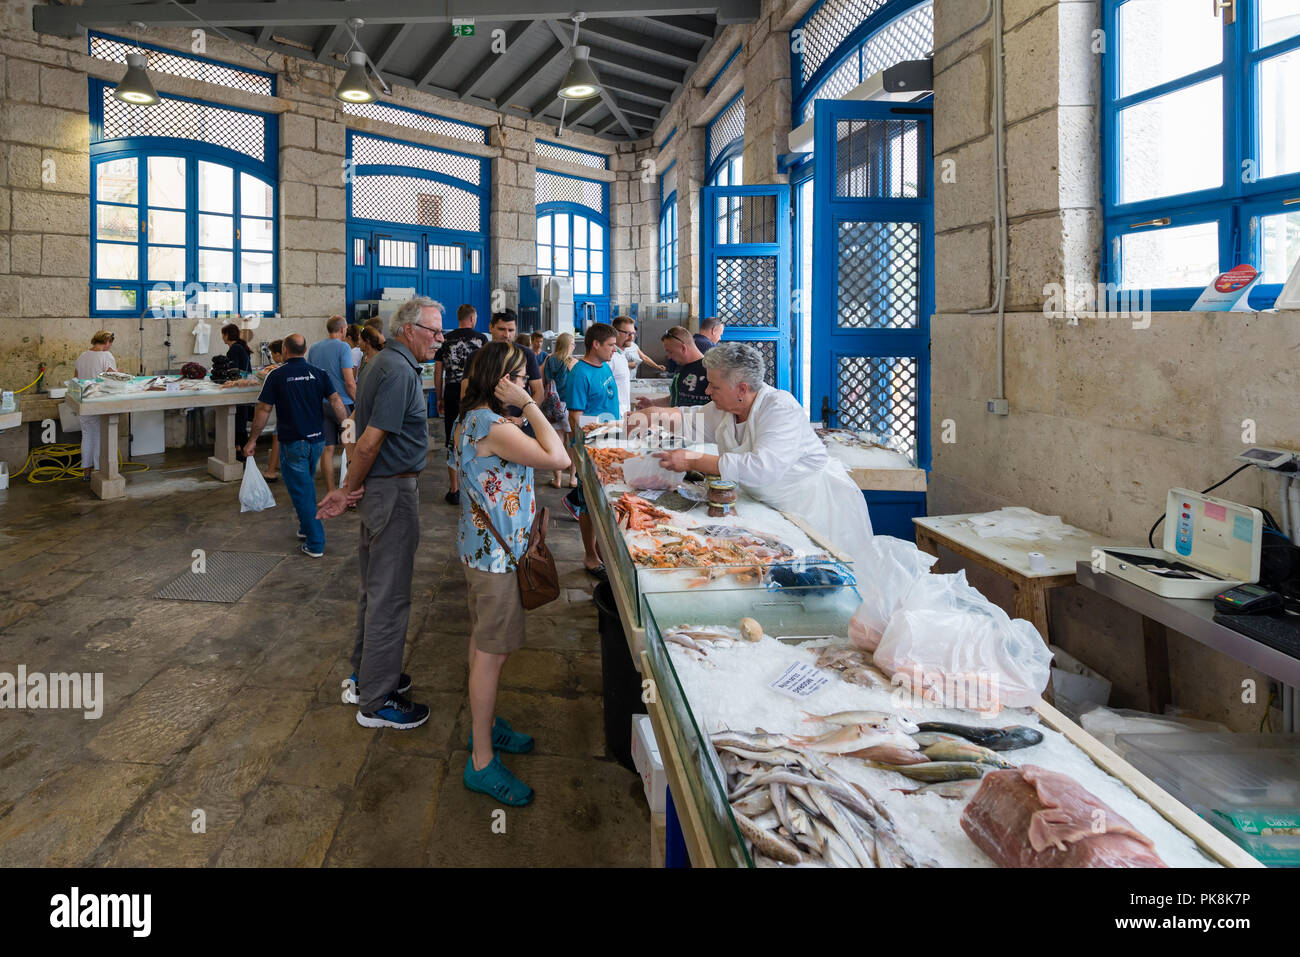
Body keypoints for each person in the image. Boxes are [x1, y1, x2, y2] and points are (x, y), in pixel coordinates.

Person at [632, 342, 874, 571]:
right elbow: (691, 420)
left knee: (819, 576)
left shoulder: (780, 408)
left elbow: (762, 468)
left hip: (813, 511)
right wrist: (651, 415)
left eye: (714, 386)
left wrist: (692, 460)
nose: (707, 391)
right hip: (768, 508)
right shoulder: (724, 409)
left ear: (742, 389)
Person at [453, 341, 570, 806]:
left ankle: (485, 725)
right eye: (520, 378)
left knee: (482, 641)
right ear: (500, 380)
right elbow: (559, 458)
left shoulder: (475, 418)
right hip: (496, 561)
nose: (526, 385)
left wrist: (520, 412)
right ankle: (481, 760)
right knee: (492, 655)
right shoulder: (493, 425)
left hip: (481, 552)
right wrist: (529, 406)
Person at [318, 297, 443, 731]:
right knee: (390, 597)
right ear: (408, 330)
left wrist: (354, 479)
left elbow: (352, 424)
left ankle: (366, 674)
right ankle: (376, 700)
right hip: (391, 492)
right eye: (433, 331)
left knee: (374, 590)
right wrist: (346, 489)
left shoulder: (378, 363)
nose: (439, 339)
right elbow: (369, 440)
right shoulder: (399, 371)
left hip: (378, 488)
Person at [242, 334, 349, 558]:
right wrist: (348, 430)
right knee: (305, 486)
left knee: (303, 493)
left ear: (284, 350)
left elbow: (263, 410)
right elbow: (336, 400)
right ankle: (305, 526)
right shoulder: (319, 373)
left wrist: (252, 440)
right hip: (317, 442)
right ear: (305, 350)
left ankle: (315, 542)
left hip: (293, 444)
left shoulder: (276, 375)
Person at [562, 322, 620, 580]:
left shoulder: (605, 366)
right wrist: (587, 448)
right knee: (588, 504)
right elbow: (575, 417)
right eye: (610, 345)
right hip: (591, 449)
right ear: (595, 344)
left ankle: (599, 549)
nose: (614, 349)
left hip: (611, 444)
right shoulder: (580, 373)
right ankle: (589, 555)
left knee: (604, 501)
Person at [433, 303, 487, 506]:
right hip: (476, 393)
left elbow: (438, 371)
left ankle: (454, 489)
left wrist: (439, 397)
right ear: (472, 318)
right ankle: (476, 487)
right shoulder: (481, 339)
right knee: (479, 438)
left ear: (459, 317)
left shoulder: (445, 339)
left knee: (452, 439)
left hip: (453, 392)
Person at [307, 315, 358, 495]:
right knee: (350, 446)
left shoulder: (314, 348)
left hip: (321, 405)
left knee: (327, 449)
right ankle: (350, 491)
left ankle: (330, 491)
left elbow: (311, 377)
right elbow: (349, 382)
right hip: (344, 406)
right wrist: (358, 401)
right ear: (343, 329)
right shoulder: (344, 347)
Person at [74, 330, 117, 478]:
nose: (110, 346)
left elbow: (76, 379)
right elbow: (113, 379)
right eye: (110, 343)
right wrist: (120, 373)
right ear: (107, 342)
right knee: (100, 436)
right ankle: (99, 471)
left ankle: (86, 472)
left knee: (87, 436)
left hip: (84, 401)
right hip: (100, 401)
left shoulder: (82, 356)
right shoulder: (106, 356)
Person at [485, 310, 544, 417]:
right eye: (501, 329)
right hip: (487, 421)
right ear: (491, 327)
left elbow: (539, 392)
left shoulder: (527, 354)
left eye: (511, 330)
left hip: (519, 420)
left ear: (516, 329)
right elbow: (467, 395)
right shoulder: (478, 356)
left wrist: (523, 419)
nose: (506, 335)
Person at [635, 326, 710, 410]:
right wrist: (652, 403)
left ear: (683, 348)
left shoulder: (709, 370)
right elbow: (676, 398)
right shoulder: (682, 365)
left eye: (670, 352)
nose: (669, 357)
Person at [542, 332, 579, 488]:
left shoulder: (549, 360)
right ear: (569, 346)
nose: (574, 346)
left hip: (553, 405)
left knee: (557, 442)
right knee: (573, 442)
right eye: (573, 343)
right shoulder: (574, 362)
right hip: (570, 406)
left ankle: (557, 479)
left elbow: (543, 381)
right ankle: (572, 478)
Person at [221, 324, 254, 456]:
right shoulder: (240, 347)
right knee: (240, 421)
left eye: (223, 334)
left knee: (238, 422)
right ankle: (239, 449)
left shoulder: (234, 349)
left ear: (227, 335)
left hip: (239, 389)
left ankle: (244, 452)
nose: (222, 337)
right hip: (243, 388)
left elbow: (234, 372)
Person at [609, 316, 634, 416]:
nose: (632, 337)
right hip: (614, 415)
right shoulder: (610, 357)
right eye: (628, 333)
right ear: (615, 333)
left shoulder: (621, 355)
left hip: (622, 415)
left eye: (633, 333)